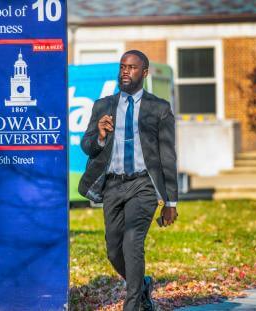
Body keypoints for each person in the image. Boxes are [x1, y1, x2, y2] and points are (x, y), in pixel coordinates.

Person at [78, 50, 178, 310]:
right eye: (123, 66)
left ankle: (133, 304)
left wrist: (171, 202)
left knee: (133, 241)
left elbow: (168, 156)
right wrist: (99, 135)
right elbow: (87, 146)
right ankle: (142, 285)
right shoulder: (103, 106)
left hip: (143, 185)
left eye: (132, 67)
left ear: (144, 73)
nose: (125, 71)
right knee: (114, 251)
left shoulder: (159, 109)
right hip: (113, 184)